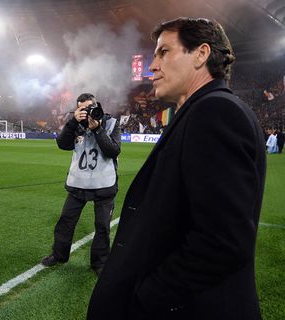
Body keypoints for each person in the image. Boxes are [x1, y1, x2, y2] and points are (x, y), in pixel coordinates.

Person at [87, 18, 266, 319]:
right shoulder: (204, 110)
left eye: (164, 52)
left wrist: (147, 297)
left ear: (201, 54)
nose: (151, 66)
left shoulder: (215, 112)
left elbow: (223, 242)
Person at [40, 93, 120, 276]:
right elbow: (62, 144)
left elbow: (113, 151)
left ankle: (99, 263)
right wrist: (72, 122)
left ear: (96, 104)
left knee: (102, 226)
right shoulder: (75, 125)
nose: (86, 111)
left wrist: (98, 129)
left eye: (89, 107)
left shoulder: (111, 122)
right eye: (81, 108)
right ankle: (59, 255)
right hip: (78, 184)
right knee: (65, 222)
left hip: (103, 184)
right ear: (77, 109)